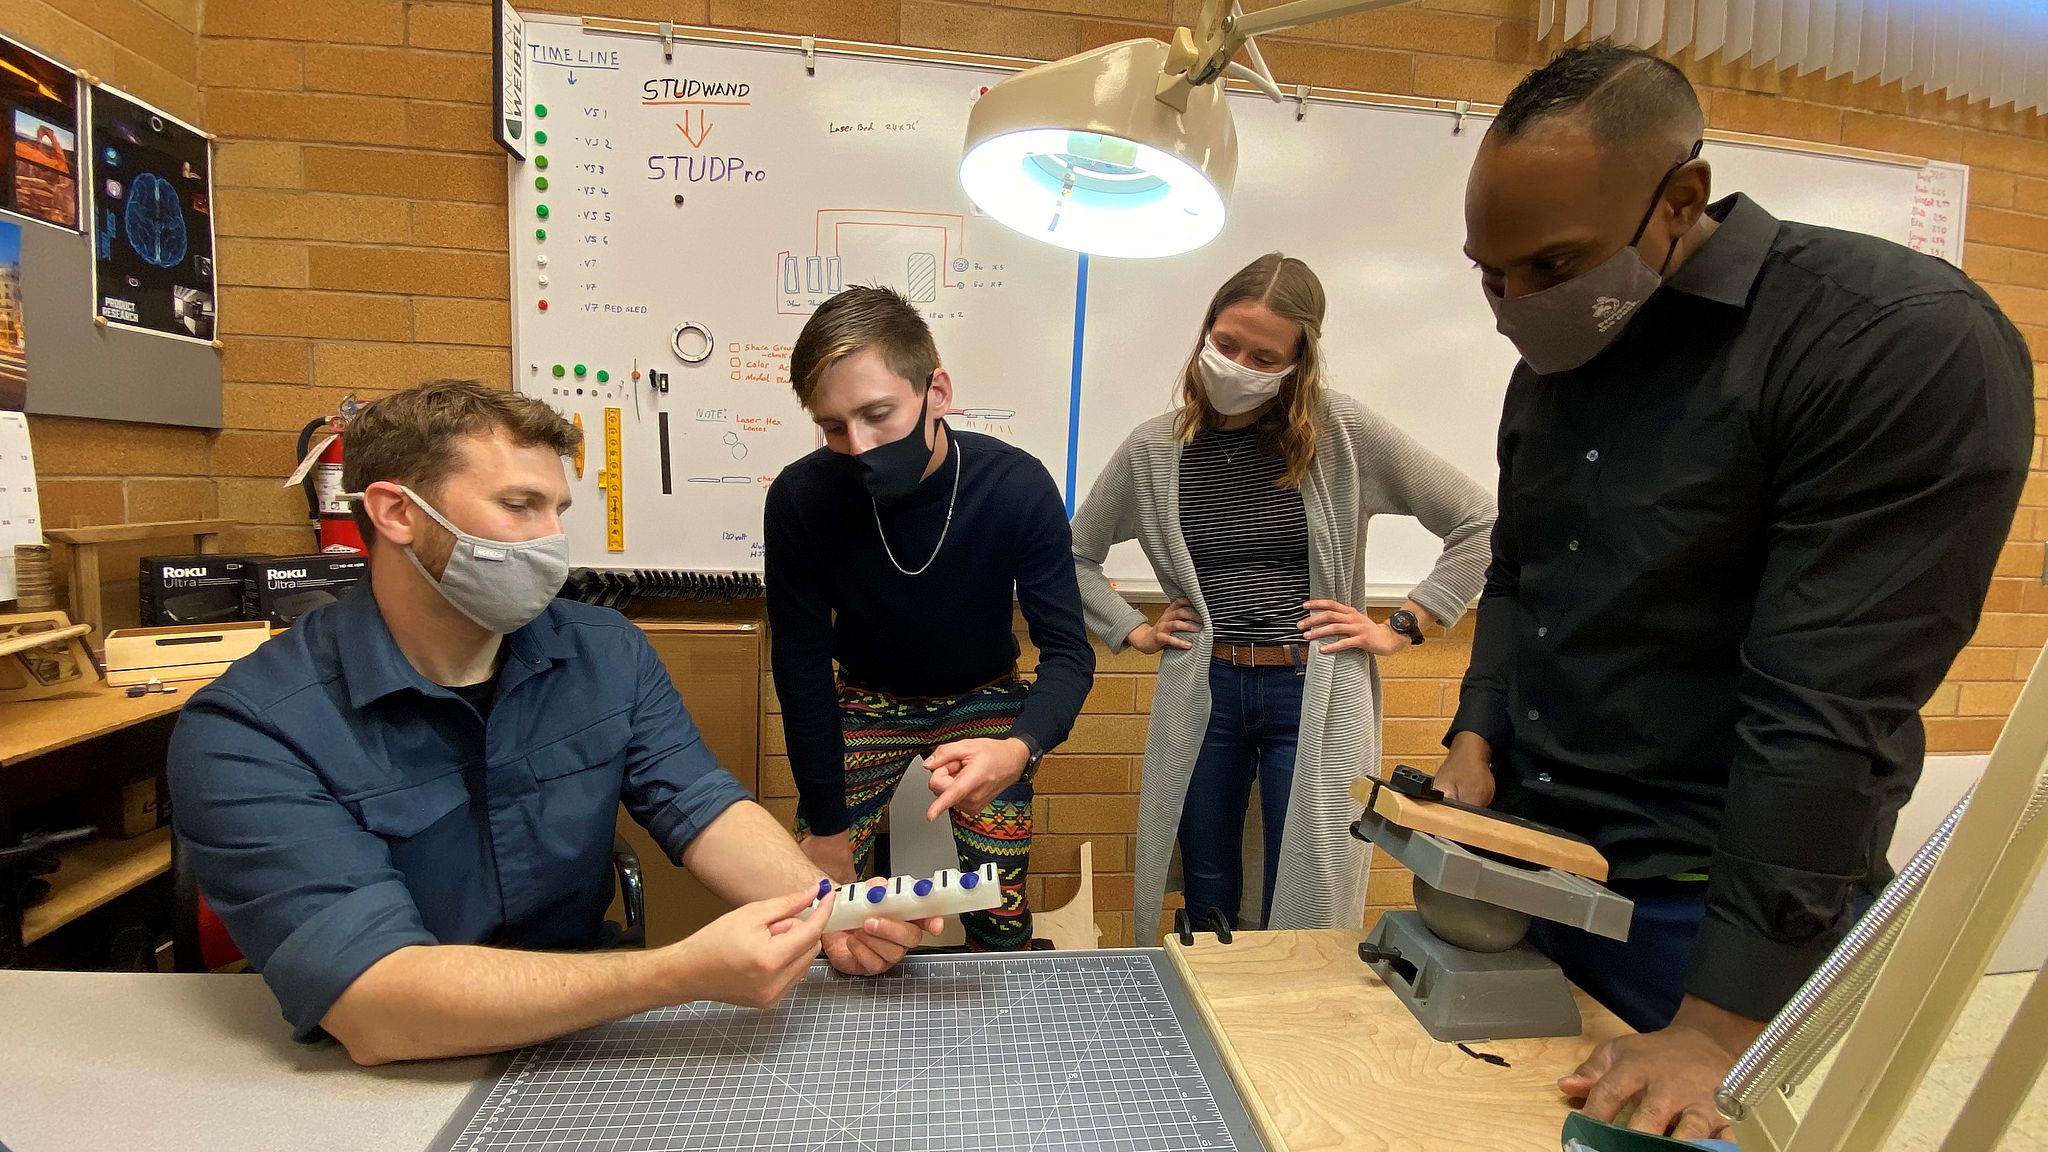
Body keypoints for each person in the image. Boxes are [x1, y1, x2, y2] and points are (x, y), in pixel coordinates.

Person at [1446, 44, 2033, 1138]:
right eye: (1490, 272)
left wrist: (1719, 1024)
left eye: (1550, 266)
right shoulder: (1562, 358)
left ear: (1678, 199)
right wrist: (1475, 729)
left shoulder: (1887, 342)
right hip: (1546, 867)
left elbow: (1825, 701)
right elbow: (1519, 575)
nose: (1511, 306)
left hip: (1714, 912)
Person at [169, 380, 933, 1065]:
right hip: (400, 1067)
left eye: (557, 510)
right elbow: (378, 1007)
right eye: (518, 506)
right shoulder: (249, 732)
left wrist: (831, 910)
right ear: (397, 512)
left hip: (582, 1033)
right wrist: (678, 973)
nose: (550, 542)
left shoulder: (603, 652)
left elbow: (700, 804)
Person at [1071, 253, 1495, 941]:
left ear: (1300, 363)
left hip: (1313, 689)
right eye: (1226, 343)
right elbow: (1073, 556)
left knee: (1309, 884)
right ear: (1205, 332)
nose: (1237, 364)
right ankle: (1204, 1019)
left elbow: (1478, 522)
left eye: (1264, 357)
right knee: (1206, 885)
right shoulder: (1154, 449)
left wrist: (1403, 625)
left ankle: (1287, 1031)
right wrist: (1131, 630)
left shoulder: (1341, 433)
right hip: (1205, 688)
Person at [765, 286, 1095, 951]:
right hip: (868, 699)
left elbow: (1068, 652)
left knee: (998, 901)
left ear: (935, 391)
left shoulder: (1014, 486)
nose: (856, 448)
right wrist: (828, 827)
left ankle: (1001, 975)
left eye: (877, 414)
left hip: (982, 696)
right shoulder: (801, 498)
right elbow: (800, 665)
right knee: (828, 906)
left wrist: (1017, 749)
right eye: (832, 427)